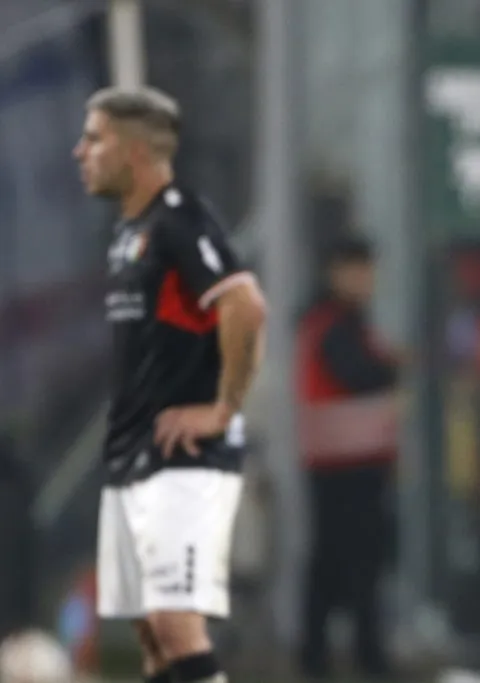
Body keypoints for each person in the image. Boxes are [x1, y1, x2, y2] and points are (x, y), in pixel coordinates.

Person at [74, 86, 266, 683]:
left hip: (183, 457)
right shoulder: (131, 231)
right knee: (152, 637)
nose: (81, 151)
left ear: (134, 150)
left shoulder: (180, 218)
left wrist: (222, 408)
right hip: (132, 452)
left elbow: (244, 303)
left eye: (94, 138)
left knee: (176, 626)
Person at [296, 239, 400, 680]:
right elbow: (358, 373)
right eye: (356, 270)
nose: (364, 281)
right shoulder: (331, 325)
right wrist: (393, 367)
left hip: (357, 464)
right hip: (342, 468)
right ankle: (351, 655)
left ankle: (335, 653)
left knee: (348, 562)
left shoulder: (346, 323)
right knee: (347, 563)